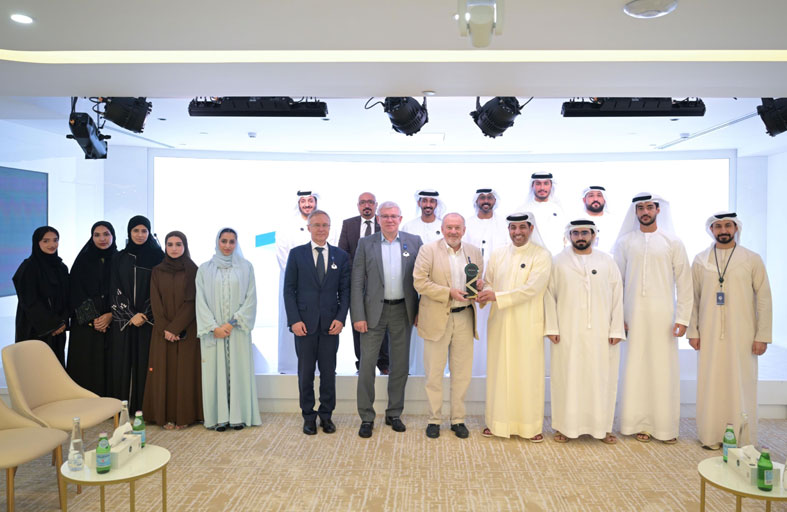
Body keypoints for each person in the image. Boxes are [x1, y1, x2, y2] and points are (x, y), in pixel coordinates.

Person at [688, 212, 772, 448]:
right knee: (710, 381)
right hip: (709, 333)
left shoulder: (751, 259)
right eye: (718, 226)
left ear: (736, 228)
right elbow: (693, 297)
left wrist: (762, 335)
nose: (723, 230)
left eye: (728, 225)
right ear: (711, 230)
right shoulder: (700, 260)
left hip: (743, 333)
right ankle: (711, 435)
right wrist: (693, 331)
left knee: (741, 382)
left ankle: (743, 437)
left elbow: (764, 298)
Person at [614, 193, 692, 444]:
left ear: (658, 210)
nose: (645, 212)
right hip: (632, 316)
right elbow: (616, 283)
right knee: (634, 368)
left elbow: (684, 282)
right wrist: (618, 317)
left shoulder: (673, 242)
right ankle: (636, 424)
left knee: (662, 369)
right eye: (641, 208)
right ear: (635, 212)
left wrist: (683, 318)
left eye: (649, 207)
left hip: (664, 317)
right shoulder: (625, 243)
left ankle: (664, 427)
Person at [545, 220, 625, 444]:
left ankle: (602, 428)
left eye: (585, 233)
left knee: (601, 379)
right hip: (567, 331)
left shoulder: (607, 261)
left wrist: (616, 328)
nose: (580, 237)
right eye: (576, 233)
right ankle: (565, 427)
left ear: (593, 235)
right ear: (569, 236)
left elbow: (617, 295)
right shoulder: (557, 261)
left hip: (601, 332)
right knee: (567, 378)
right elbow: (549, 295)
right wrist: (552, 327)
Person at [478, 213, 551, 441]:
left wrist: (496, 296)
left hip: (527, 323)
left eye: (522, 227)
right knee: (499, 372)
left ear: (531, 228)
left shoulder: (541, 255)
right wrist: (484, 290)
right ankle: (497, 423)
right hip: (500, 322)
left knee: (527, 373)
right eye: (513, 228)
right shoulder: (498, 253)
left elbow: (533, 288)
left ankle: (530, 427)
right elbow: (488, 281)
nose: (517, 232)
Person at [352, 201, 422, 438]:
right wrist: (358, 315)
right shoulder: (365, 244)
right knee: (367, 365)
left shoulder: (414, 242)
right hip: (373, 314)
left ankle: (394, 413)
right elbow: (357, 282)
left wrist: (420, 310)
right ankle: (366, 417)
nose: (390, 220)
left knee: (400, 365)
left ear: (400, 219)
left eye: (394, 216)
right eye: (385, 216)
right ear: (378, 219)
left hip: (403, 311)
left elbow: (422, 279)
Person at [413, 213, 482, 439]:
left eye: (457, 228)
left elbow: (478, 280)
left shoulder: (474, 251)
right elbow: (420, 282)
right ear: (442, 229)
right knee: (434, 373)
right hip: (436, 317)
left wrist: (481, 286)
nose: (453, 231)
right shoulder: (428, 250)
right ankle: (434, 419)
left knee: (461, 373)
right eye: (449, 227)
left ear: (464, 230)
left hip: (465, 317)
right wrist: (448, 293)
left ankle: (458, 419)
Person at [284, 210, 351, 435]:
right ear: (309, 228)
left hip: (331, 326)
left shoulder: (340, 256)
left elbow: (345, 291)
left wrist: (340, 319)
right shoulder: (296, 254)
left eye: (325, 225)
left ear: (330, 228)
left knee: (328, 373)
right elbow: (289, 290)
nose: (321, 229)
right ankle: (308, 416)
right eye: (317, 225)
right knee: (305, 373)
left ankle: (326, 415)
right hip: (304, 325)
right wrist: (294, 320)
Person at [196, 228, 261, 431]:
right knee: (214, 372)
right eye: (223, 241)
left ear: (236, 243)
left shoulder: (246, 268)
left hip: (237, 330)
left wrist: (232, 323)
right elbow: (200, 301)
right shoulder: (204, 269)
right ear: (217, 242)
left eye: (232, 241)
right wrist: (213, 327)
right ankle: (219, 418)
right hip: (213, 332)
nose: (227, 245)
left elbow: (251, 299)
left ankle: (238, 416)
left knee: (239, 369)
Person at [142, 231, 203, 430]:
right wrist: (166, 329)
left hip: (188, 328)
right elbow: (155, 301)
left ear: (185, 246)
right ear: (165, 247)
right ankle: (164, 416)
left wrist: (175, 328)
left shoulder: (193, 270)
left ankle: (184, 416)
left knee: (185, 372)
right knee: (163, 372)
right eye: (170, 244)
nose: (174, 248)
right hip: (162, 331)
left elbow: (192, 301)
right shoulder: (158, 270)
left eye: (178, 244)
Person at [109, 215, 164, 413]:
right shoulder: (119, 257)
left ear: (149, 233)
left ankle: (145, 408)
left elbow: (160, 290)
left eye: (144, 231)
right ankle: (123, 408)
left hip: (148, 320)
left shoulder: (159, 257)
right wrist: (130, 314)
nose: (140, 235)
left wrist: (145, 314)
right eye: (136, 231)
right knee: (123, 362)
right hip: (125, 320)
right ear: (129, 232)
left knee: (146, 362)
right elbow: (114, 287)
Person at [338, 192, 389, 374]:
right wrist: (360, 271)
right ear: (358, 205)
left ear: (376, 205)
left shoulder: (384, 223)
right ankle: (362, 363)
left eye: (370, 202)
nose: (366, 205)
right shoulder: (349, 224)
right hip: (356, 282)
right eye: (363, 203)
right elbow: (343, 253)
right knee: (358, 323)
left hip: (382, 282)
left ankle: (384, 363)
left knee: (382, 321)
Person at [464, 188, 510, 376]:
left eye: (489, 197)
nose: (486, 201)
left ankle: (494, 371)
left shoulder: (504, 225)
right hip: (471, 286)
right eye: (482, 197)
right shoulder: (467, 224)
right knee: (473, 329)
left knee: (495, 329)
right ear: (476, 200)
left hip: (497, 287)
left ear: (494, 200)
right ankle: (473, 372)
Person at [67, 221, 117, 395]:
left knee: (110, 369)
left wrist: (111, 315)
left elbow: (123, 291)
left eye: (106, 234)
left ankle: (109, 406)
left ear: (113, 236)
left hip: (113, 324)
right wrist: (93, 319)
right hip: (86, 327)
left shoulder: (120, 260)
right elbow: (75, 292)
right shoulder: (83, 261)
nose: (102, 239)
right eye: (97, 235)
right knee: (86, 368)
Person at [276, 190, 322, 374]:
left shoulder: (325, 224)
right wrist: (302, 280)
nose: (307, 204)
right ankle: (288, 366)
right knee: (292, 324)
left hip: (320, 286)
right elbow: (283, 258)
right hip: (294, 286)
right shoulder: (287, 226)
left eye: (310, 200)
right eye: (303, 201)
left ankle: (319, 368)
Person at [13, 226, 69, 366]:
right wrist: (52, 324)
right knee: (35, 368)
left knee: (55, 367)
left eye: (55, 240)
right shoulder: (28, 267)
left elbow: (67, 297)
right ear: (37, 243)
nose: (52, 244)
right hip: (34, 328)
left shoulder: (61, 268)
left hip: (58, 329)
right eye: (46, 241)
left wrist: (62, 321)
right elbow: (29, 301)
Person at [402, 189, 444, 374]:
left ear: (436, 204)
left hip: (439, 285)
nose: (428, 204)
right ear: (419, 203)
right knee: (415, 328)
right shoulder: (409, 226)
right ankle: (414, 370)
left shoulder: (443, 226)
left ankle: (437, 371)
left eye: (431, 201)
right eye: (424, 201)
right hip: (414, 284)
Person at [516, 172, 565, 255]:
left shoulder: (558, 209)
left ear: (551, 186)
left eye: (546, 183)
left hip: (556, 258)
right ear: (532, 186)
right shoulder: (522, 210)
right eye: (538, 184)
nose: (542, 188)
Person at [579, 185, 619, 253]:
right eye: (591, 196)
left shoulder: (614, 221)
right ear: (584, 200)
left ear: (604, 199)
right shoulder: (576, 220)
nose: (595, 199)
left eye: (599, 195)